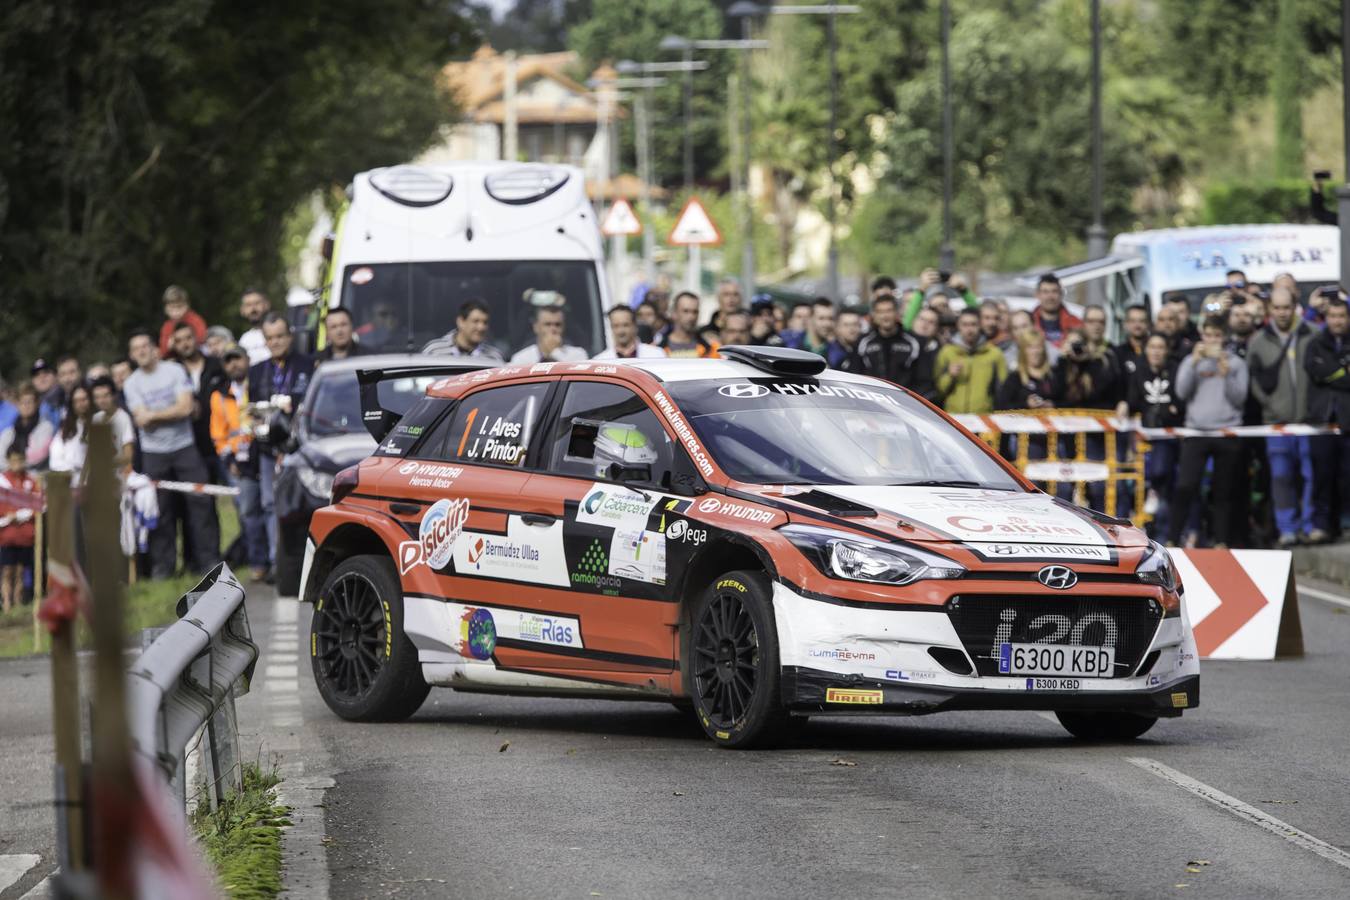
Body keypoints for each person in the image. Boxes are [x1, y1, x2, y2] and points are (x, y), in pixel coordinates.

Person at [123, 328, 221, 577]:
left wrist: (155, 414)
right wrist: (171, 411)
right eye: (136, 349)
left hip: (185, 447)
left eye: (145, 345)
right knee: (161, 510)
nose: (142, 352)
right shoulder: (131, 383)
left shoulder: (174, 371)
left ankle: (208, 561)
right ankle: (163, 568)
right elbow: (141, 420)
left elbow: (186, 407)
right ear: (132, 355)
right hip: (154, 453)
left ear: (155, 348)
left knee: (201, 502)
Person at [1170, 318, 1249, 548]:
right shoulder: (1190, 361)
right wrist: (1194, 364)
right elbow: (1181, 393)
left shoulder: (1236, 363)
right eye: (1209, 335)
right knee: (1186, 486)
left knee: (1223, 491)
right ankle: (1173, 538)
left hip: (1226, 432)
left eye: (1217, 336)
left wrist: (1226, 374)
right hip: (1197, 431)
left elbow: (1239, 398)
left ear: (1224, 338)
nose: (1213, 340)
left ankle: (1221, 540)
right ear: (1202, 336)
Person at [1249, 286, 1318, 546]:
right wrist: (1271, 405)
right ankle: (1287, 527)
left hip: (1309, 421)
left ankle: (1309, 525)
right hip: (1276, 423)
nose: (1281, 313)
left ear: (1294, 307)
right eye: (1276, 308)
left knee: (1311, 475)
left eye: (1286, 307)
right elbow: (1254, 380)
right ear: (1270, 309)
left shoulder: (1311, 334)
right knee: (1281, 476)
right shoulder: (1259, 340)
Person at [249, 314, 315, 569]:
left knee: (301, 503)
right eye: (270, 338)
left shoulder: (308, 365)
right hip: (267, 449)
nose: (275, 342)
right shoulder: (256, 372)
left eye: (280, 336)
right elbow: (252, 412)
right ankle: (277, 563)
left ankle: (304, 563)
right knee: (268, 504)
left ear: (290, 336)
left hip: (300, 449)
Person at [212, 345, 269, 580]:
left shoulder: (262, 384)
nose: (234, 365)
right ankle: (258, 562)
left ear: (247, 360)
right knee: (248, 512)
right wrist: (228, 459)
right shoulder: (219, 396)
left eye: (237, 359)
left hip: (265, 453)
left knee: (272, 508)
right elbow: (218, 433)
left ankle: (277, 560)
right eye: (228, 361)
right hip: (240, 462)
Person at [1122, 333, 1185, 540]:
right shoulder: (1139, 373)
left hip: (1172, 438)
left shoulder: (1175, 371)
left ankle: (1164, 530)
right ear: (1146, 350)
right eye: (1152, 347)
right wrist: (1124, 405)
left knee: (1167, 482)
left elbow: (1181, 402)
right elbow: (1133, 401)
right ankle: (1152, 523)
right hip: (1146, 438)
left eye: (1160, 347)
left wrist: (1169, 410)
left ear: (1166, 351)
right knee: (1153, 480)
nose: (1156, 352)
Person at [1304, 298, 1350, 539]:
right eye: (1333, 316)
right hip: (1321, 422)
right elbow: (1316, 371)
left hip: (1347, 423)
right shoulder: (1315, 343)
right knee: (1321, 477)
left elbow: (1326, 373)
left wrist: (1330, 373)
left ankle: (1345, 523)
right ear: (1326, 318)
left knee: (1346, 476)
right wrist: (1342, 371)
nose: (1337, 321)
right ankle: (1321, 525)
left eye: (1341, 316)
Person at [169, 320, 228, 475]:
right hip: (191, 445)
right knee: (202, 497)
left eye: (188, 338)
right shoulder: (172, 372)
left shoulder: (218, 365)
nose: (185, 344)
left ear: (197, 338)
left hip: (221, 440)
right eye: (179, 341)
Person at [935, 308, 1008, 414]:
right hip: (953, 418)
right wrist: (950, 376)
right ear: (958, 326)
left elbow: (1003, 390)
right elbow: (939, 390)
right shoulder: (947, 352)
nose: (969, 329)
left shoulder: (994, 354)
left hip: (984, 419)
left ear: (980, 326)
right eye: (965, 325)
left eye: (973, 324)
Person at [0, 447, 40, 613]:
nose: (17, 464)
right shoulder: (3, 481)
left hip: (25, 534)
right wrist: (9, 514)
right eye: (14, 460)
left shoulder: (31, 482)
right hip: (7, 535)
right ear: (8, 461)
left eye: (20, 460)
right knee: (7, 570)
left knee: (22, 571)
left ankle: (18, 604)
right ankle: (7, 604)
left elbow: (36, 503)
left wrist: (21, 514)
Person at [858, 294, 922, 390]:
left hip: (905, 401)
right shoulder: (863, 342)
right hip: (872, 399)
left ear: (897, 313)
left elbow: (922, 379)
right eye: (880, 312)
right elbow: (855, 375)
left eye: (889, 310)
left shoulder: (913, 342)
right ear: (874, 315)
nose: (885, 316)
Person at [422, 299, 506, 361]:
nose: (481, 327)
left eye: (485, 322)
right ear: (460, 322)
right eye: (475, 321)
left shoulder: (494, 357)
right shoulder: (434, 351)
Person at [997, 330, 1055, 411]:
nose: (1035, 351)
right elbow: (1001, 406)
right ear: (1023, 350)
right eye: (1030, 347)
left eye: (1038, 346)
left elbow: (1071, 401)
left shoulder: (1053, 375)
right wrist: (1026, 404)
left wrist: (1053, 404)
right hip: (1025, 423)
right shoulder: (1015, 378)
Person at [0, 383, 54, 470]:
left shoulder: (46, 427)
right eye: (22, 402)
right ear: (17, 404)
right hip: (9, 474)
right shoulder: (9, 431)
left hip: (35, 474)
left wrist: (17, 466)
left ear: (37, 404)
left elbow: (37, 457)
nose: (26, 406)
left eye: (29, 402)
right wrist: (12, 469)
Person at [510, 304, 588, 364]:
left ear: (564, 327)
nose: (553, 329)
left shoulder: (578, 356)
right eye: (547, 324)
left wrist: (555, 353)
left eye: (557, 324)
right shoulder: (521, 359)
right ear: (536, 327)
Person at [902, 269, 978, 329]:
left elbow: (977, 313)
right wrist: (922, 290)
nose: (940, 309)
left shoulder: (957, 324)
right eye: (935, 307)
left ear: (950, 307)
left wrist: (962, 289)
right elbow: (907, 324)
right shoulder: (926, 328)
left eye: (944, 305)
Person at [48, 383, 94, 482]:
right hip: (66, 479)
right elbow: (55, 457)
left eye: (84, 399)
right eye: (76, 401)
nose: (81, 404)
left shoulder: (99, 423)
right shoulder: (66, 428)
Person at [654, 292, 719, 359]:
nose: (691, 317)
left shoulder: (711, 349)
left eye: (695, 312)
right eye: (685, 311)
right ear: (674, 313)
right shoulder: (656, 350)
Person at [89, 377, 135, 468]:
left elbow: (128, 456)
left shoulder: (123, 418)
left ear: (114, 396)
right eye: (97, 397)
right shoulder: (95, 418)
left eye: (105, 396)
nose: (101, 401)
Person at [594, 305, 665, 359]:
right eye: (616, 326)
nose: (621, 331)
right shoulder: (600, 361)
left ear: (635, 326)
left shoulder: (656, 355)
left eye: (625, 325)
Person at [1031, 273, 1083, 348]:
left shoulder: (1076, 324)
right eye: (1045, 292)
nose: (1050, 296)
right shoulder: (1028, 324)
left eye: (1054, 291)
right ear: (1037, 295)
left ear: (1061, 294)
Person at [157, 285, 208, 358]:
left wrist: (182, 341)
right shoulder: (167, 326)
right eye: (172, 308)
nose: (176, 312)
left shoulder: (195, 319)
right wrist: (169, 346)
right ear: (166, 309)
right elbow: (163, 350)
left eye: (179, 307)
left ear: (187, 306)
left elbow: (202, 337)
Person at [907, 307, 942, 402]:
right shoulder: (901, 346)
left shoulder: (942, 352)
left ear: (937, 328)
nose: (925, 324)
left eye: (931, 322)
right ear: (913, 321)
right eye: (921, 319)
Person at [1114, 305, 1151, 380]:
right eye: (1133, 321)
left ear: (1148, 324)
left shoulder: (1155, 352)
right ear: (1125, 324)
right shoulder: (1117, 354)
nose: (1137, 325)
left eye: (1142, 321)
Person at [237, 288, 272, 365]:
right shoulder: (244, 340)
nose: (253, 309)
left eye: (257, 303)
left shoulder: (280, 332)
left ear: (267, 305)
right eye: (248, 305)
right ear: (242, 310)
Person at [30, 359, 63, 426]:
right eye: (36, 374)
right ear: (33, 381)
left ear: (56, 376)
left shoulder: (66, 396)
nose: (41, 377)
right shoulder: (33, 406)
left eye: (46, 372)